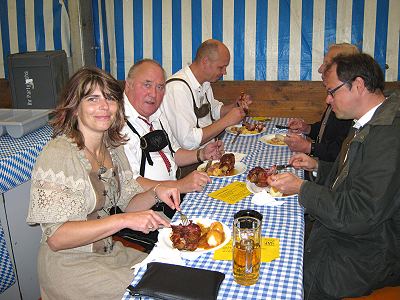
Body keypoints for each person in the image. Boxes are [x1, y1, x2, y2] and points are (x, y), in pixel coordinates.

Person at [26, 67, 180, 299]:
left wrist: (157, 191)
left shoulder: (113, 148)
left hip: (107, 252)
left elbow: (129, 204)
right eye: (92, 98)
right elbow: (57, 238)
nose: (104, 106)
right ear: (75, 107)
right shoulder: (59, 153)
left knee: (173, 274)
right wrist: (123, 220)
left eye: (109, 97)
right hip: (68, 266)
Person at [267, 53, 400, 299]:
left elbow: (359, 213)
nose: (328, 100)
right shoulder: (365, 121)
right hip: (349, 233)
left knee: (283, 276)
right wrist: (316, 165)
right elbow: (348, 177)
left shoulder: (389, 136)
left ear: (358, 86)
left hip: (369, 249)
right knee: (277, 239)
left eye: (332, 91)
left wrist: (302, 188)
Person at [122, 59, 224, 196]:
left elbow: (173, 152)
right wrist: (179, 186)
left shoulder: (157, 115)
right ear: (129, 85)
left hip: (172, 194)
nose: (154, 94)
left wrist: (201, 154)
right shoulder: (118, 125)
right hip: (147, 208)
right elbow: (132, 183)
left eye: (160, 87)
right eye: (147, 84)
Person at [161, 39, 252, 150]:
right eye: (221, 67)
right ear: (205, 62)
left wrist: (235, 106)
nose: (224, 72)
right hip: (189, 162)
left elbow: (214, 111)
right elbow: (188, 141)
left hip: (210, 150)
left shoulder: (205, 82)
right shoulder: (177, 89)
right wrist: (226, 121)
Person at [284, 43, 357, 162]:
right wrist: (307, 128)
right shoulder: (335, 95)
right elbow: (327, 131)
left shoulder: (350, 107)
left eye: (327, 64)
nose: (320, 69)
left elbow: (341, 152)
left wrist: (309, 147)